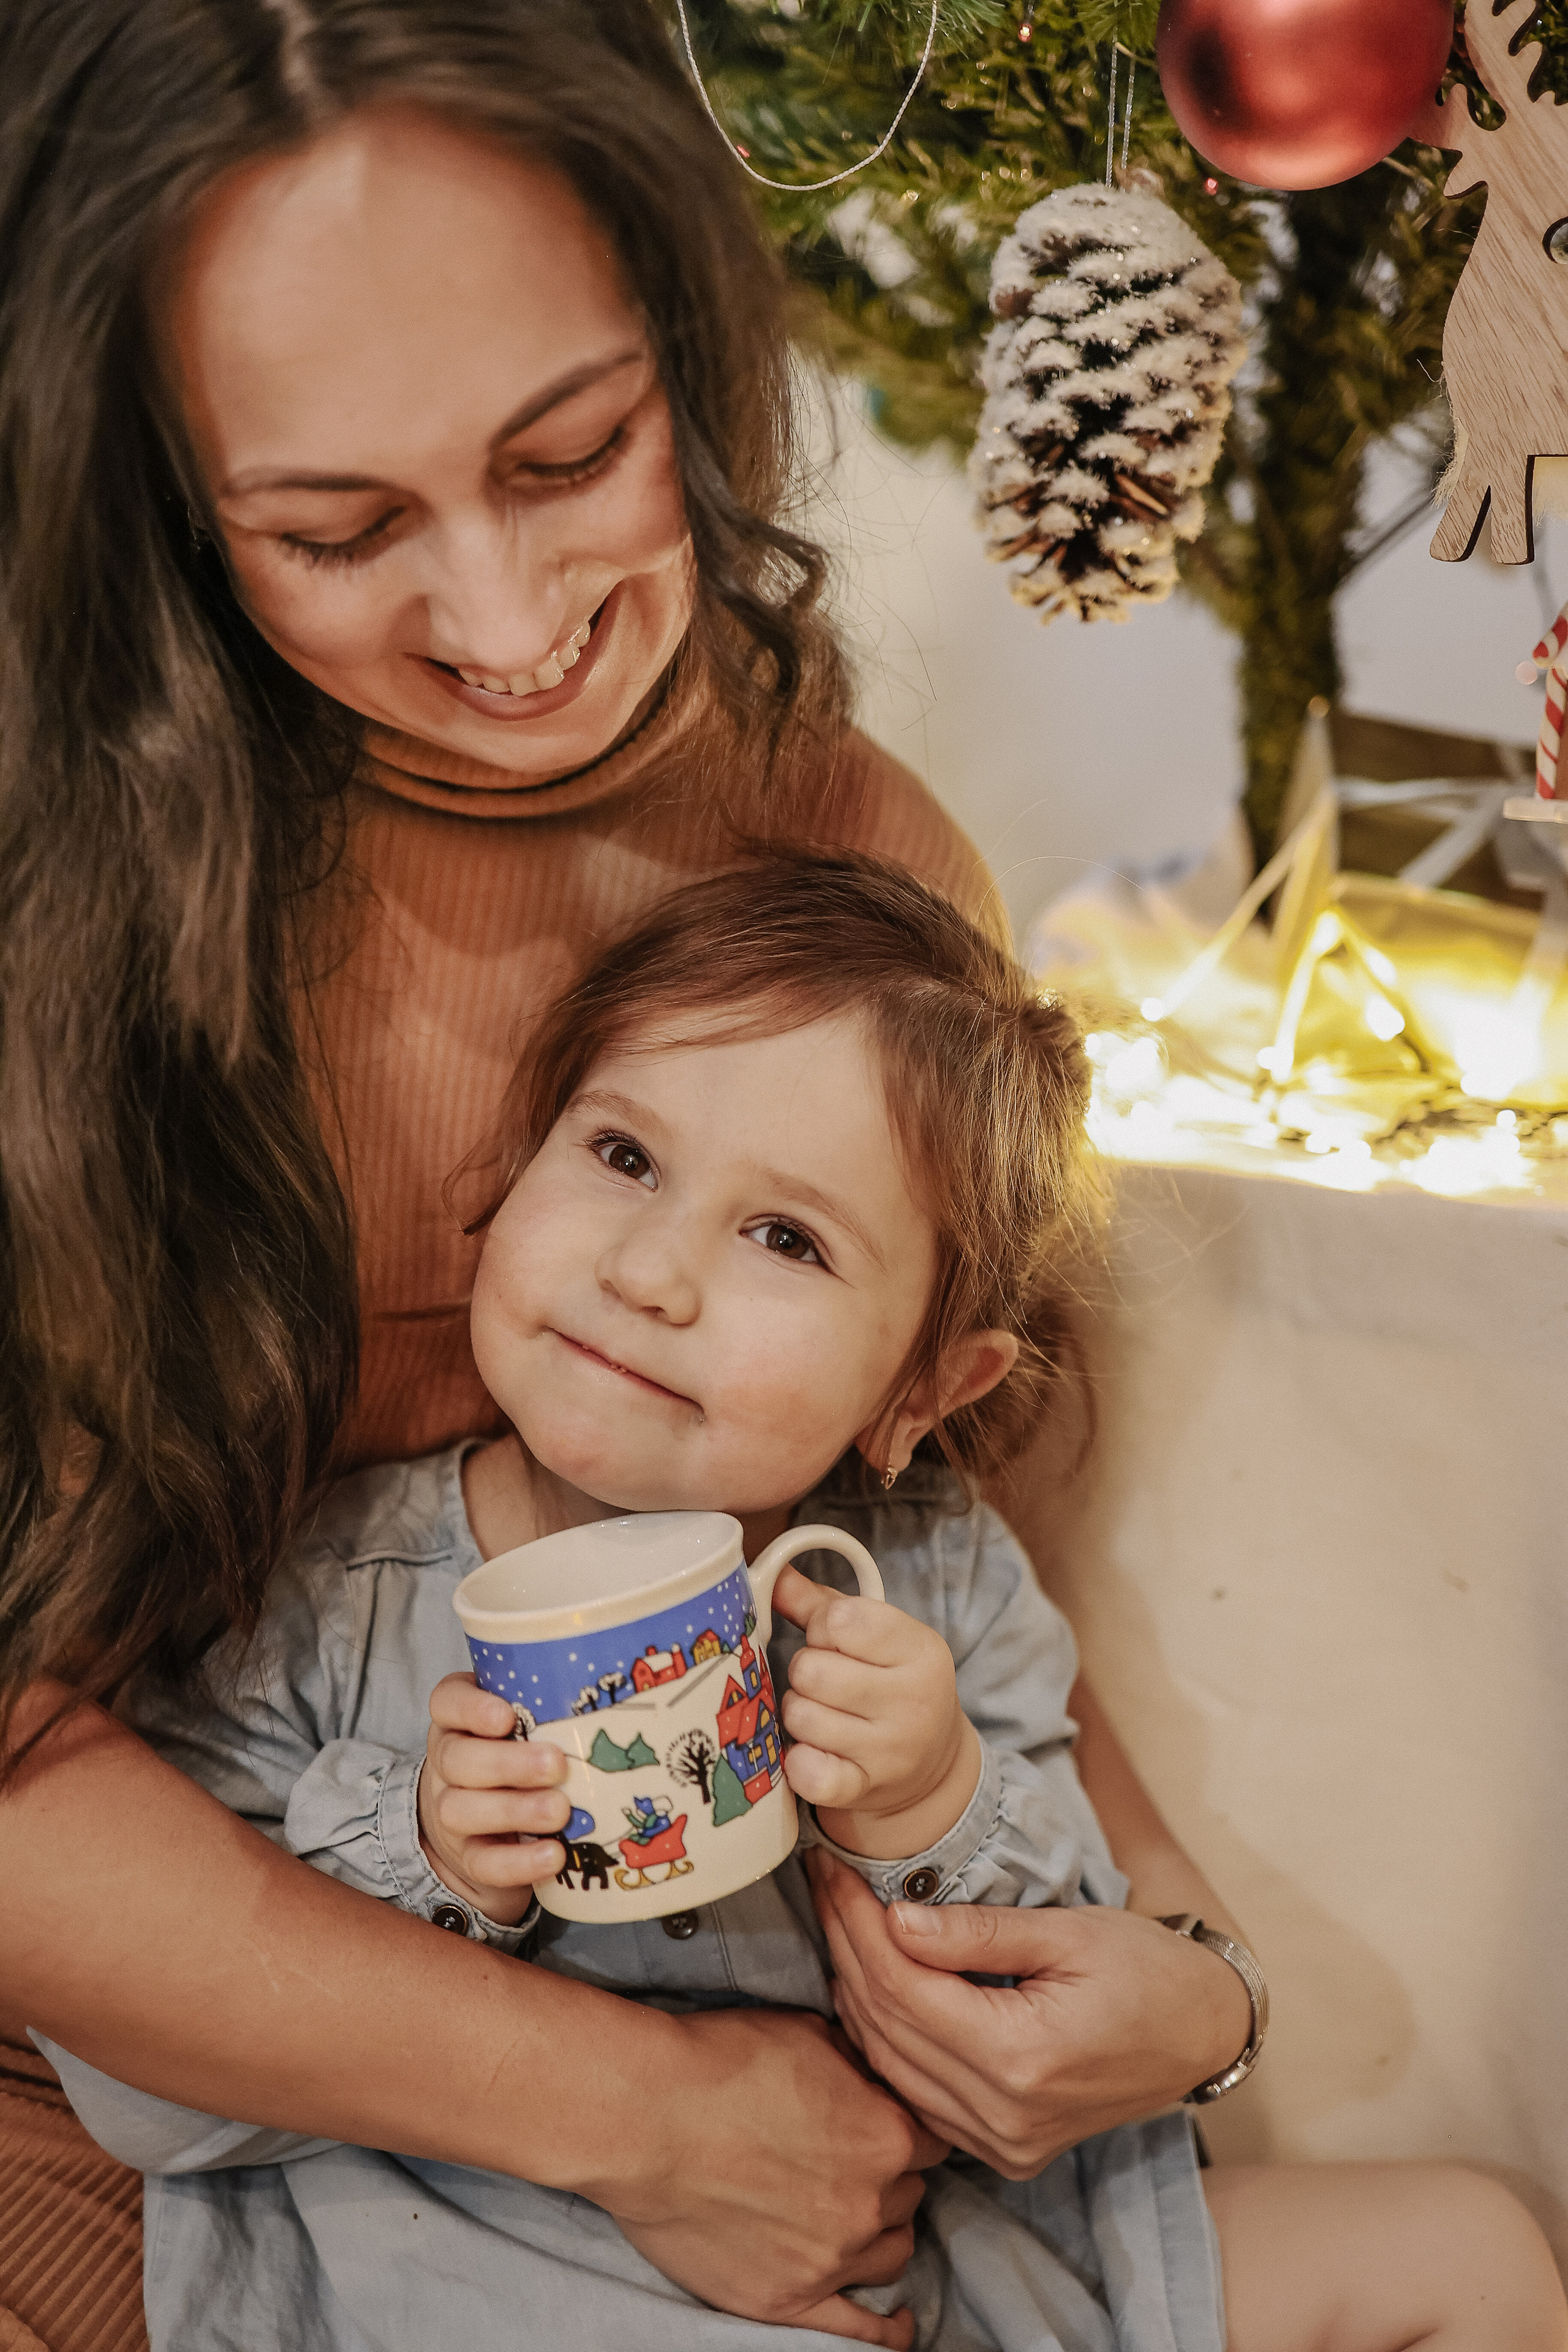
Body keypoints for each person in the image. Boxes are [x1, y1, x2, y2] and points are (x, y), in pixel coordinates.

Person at [0, 0, 1326, 2340]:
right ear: (153, 508)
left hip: (785, 2170)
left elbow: (933, 1530)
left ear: (689, 332)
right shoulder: (66, 911)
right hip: (171, 2138)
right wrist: (644, 2123)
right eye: (335, 530)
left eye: (573, 451)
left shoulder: (851, 864)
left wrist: (1188, 1977)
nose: (512, 634)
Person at [39, 855, 1568, 2352]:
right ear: (511, 1165)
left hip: (958, 2268)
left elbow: (1075, 1974)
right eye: (623, 1157)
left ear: (922, 1384)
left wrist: (931, 1798)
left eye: (785, 1238)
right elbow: (142, 2086)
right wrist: (431, 1867)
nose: (652, 1272)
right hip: (496, 2288)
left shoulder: (930, 1568)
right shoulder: (317, 1596)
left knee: (1471, 2252)